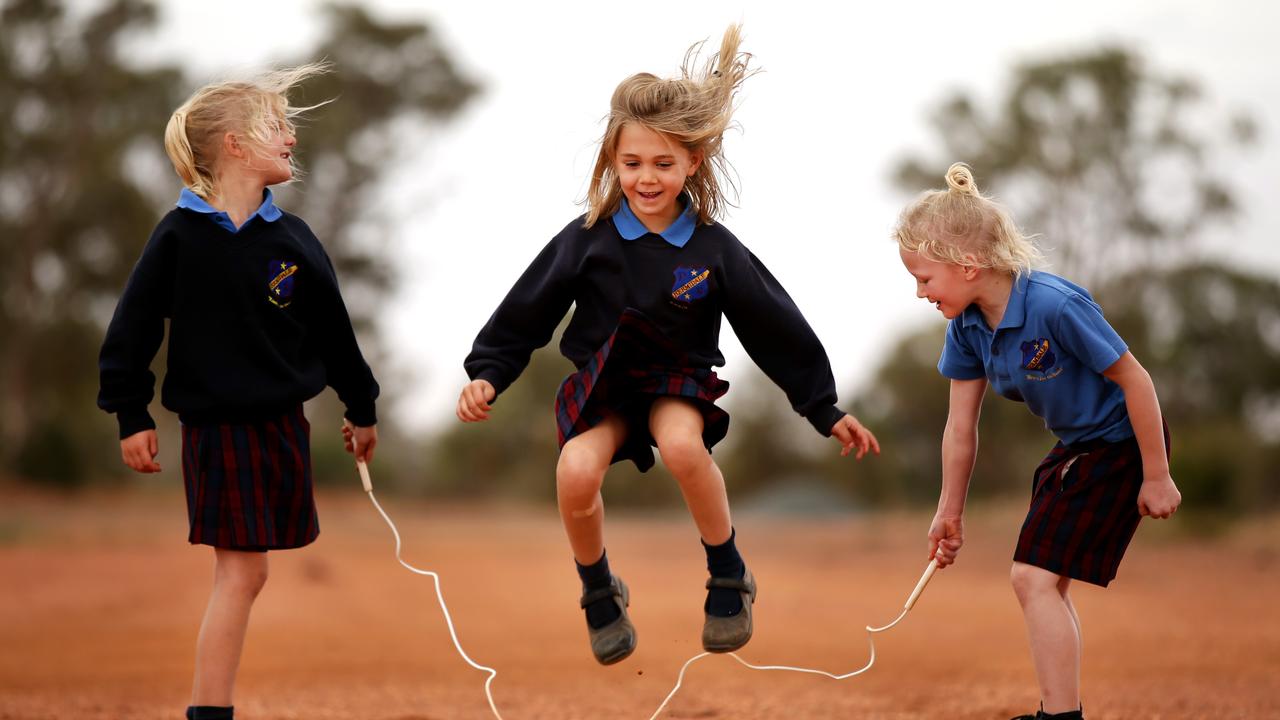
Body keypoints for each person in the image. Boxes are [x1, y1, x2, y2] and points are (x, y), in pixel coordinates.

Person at [456, 25, 879, 666]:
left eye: (663, 163)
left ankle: (729, 573)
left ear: (692, 163)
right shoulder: (587, 238)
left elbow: (775, 325)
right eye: (632, 163)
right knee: (573, 473)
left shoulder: (714, 248)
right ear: (611, 161)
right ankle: (598, 589)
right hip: (603, 384)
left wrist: (822, 406)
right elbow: (528, 309)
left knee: (683, 445)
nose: (646, 178)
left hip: (677, 378)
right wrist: (489, 371)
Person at [97, 64, 380, 720]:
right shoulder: (177, 237)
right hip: (217, 427)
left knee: (251, 572)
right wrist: (130, 412)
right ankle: (209, 712)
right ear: (233, 145)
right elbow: (130, 331)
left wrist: (361, 408)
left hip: (282, 426)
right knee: (243, 573)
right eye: (276, 128)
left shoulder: (294, 238)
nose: (290, 139)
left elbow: (336, 334)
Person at [895, 162, 1182, 720]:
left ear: (969, 266)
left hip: (1121, 442)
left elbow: (1135, 380)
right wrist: (948, 512)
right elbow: (960, 427)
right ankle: (1062, 712)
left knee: (1032, 577)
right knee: (1043, 582)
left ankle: (1059, 716)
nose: (919, 292)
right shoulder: (967, 327)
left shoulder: (1054, 304)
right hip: (1078, 446)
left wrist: (1157, 473)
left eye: (924, 278)